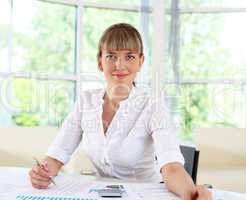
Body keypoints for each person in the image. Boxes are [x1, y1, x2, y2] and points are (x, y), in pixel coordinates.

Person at [29, 23, 211, 200]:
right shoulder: (86, 101)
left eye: (129, 56)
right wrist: (42, 173)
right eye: (111, 56)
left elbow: (171, 168)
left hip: (145, 195)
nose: (119, 65)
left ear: (141, 61)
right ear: (100, 62)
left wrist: (191, 193)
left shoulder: (154, 107)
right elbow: (56, 157)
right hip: (101, 194)